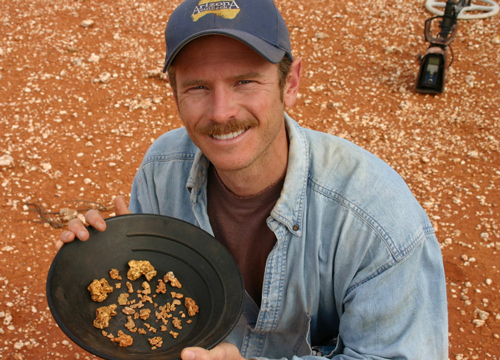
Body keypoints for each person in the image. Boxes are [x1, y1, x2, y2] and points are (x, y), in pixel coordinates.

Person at [57, 0, 449, 359]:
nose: (222, 112)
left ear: (290, 83)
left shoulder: (377, 222)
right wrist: (113, 260)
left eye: (244, 81)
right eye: (197, 87)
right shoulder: (162, 170)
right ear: (175, 94)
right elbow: (154, 308)